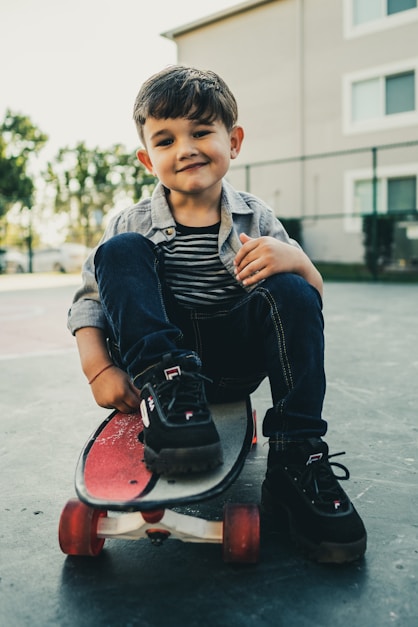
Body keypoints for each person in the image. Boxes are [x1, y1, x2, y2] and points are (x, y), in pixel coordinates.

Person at [68, 65, 366, 563]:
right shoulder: (131, 222)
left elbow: (306, 305)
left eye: (202, 131)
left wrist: (298, 260)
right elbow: (90, 301)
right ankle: (172, 395)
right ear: (147, 159)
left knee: (290, 288)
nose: (185, 148)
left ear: (235, 141)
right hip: (159, 376)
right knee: (118, 250)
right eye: (166, 140)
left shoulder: (257, 217)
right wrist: (98, 368)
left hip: (231, 362)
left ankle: (297, 452)